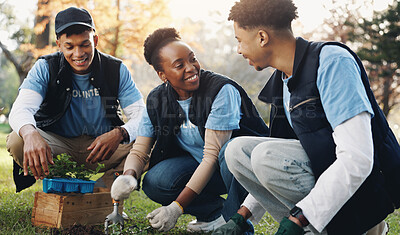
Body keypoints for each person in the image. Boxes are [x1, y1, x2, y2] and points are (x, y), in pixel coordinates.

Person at [213, 0, 400, 234]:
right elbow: (284, 159)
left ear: (262, 37)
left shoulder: (332, 62)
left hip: (368, 191)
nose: (239, 50)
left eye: (239, 40)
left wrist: (301, 218)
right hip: (322, 178)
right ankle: (315, 229)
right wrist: (242, 214)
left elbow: (358, 158)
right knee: (237, 151)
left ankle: (365, 228)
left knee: (263, 154)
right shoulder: (282, 81)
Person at [109, 27, 269, 233]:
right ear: (163, 75)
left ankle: (235, 222)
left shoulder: (221, 90)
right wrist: (129, 176)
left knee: (229, 151)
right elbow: (140, 151)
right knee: (154, 181)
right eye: (179, 65)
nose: (192, 67)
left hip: (240, 170)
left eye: (192, 59)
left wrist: (177, 207)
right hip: (201, 166)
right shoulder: (157, 100)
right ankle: (214, 215)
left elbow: (212, 156)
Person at [6, 7, 145, 192]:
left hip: (102, 148)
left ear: (95, 40)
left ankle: (102, 192)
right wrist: (31, 134)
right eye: (69, 46)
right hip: (59, 145)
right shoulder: (45, 66)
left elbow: (142, 117)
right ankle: (59, 184)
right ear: (59, 44)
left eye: (85, 44)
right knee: (18, 139)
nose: (78, 54)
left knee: (152, 141)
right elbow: (20, 109)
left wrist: (120, 133)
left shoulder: (116, 69)